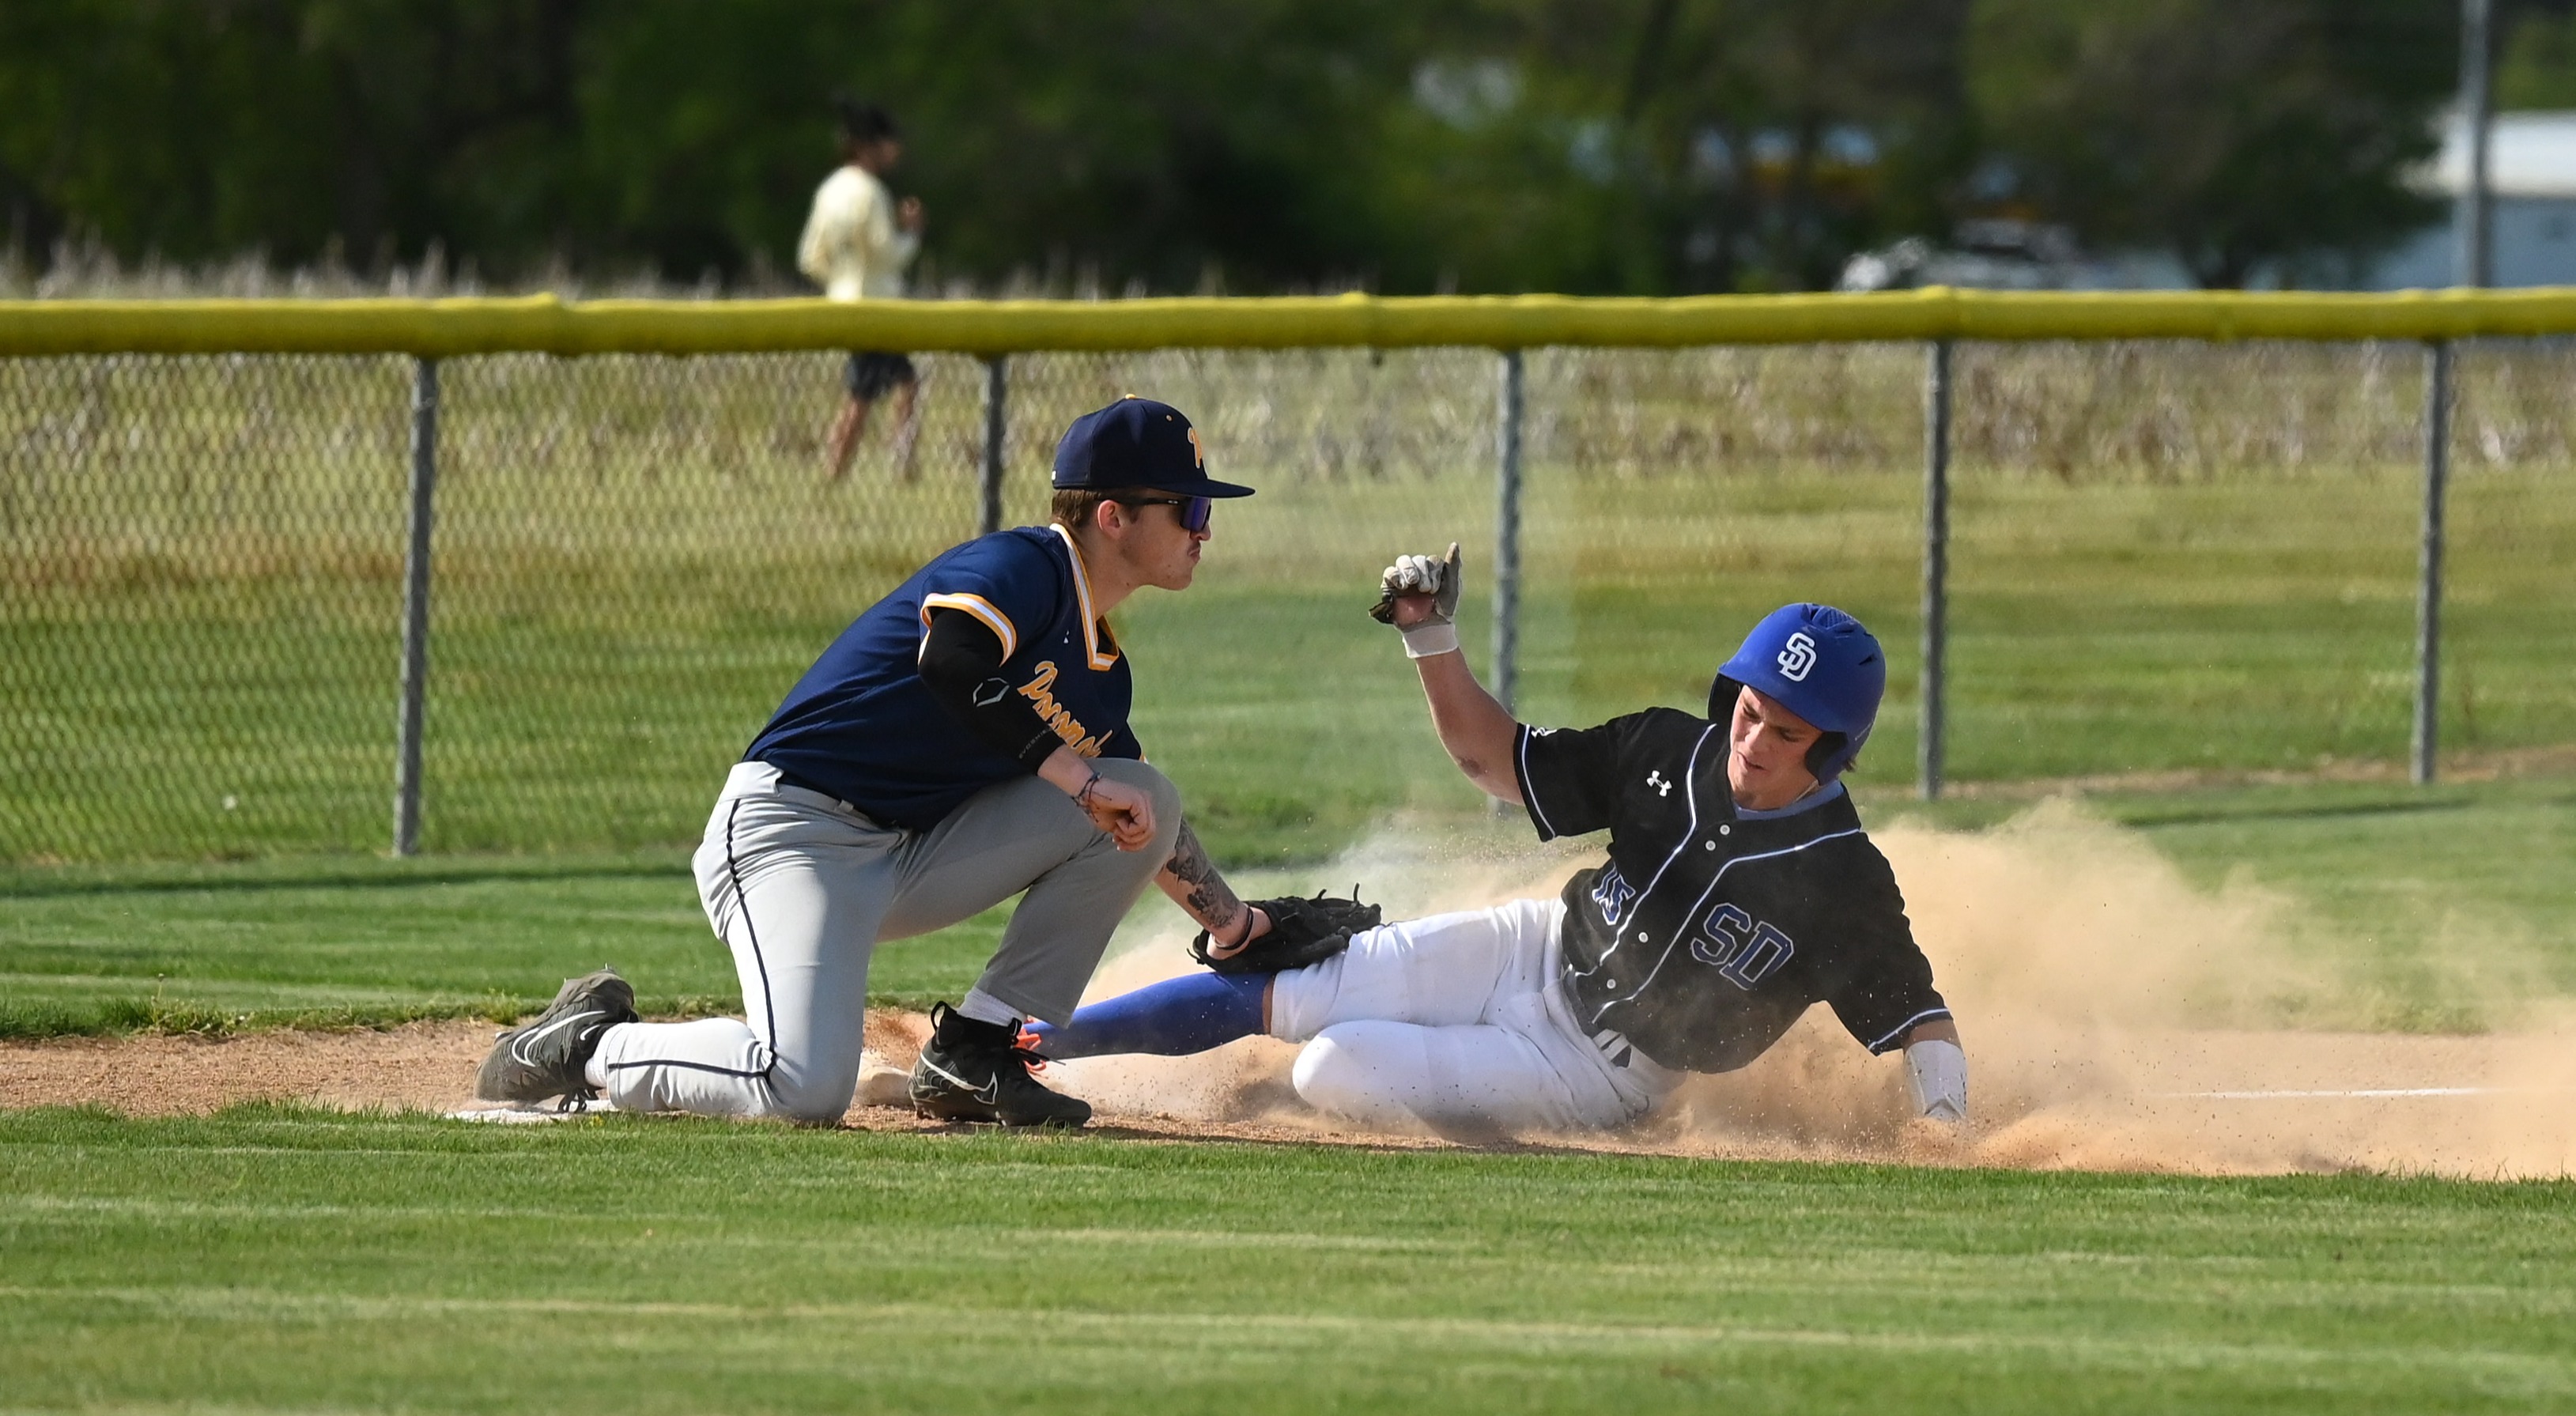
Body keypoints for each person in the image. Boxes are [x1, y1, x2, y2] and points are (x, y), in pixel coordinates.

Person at [475, 398, 1293, 1128]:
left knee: (1145, 793)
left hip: (908, 857)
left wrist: (1239, 928)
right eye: (1187, 507)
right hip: (792, 834)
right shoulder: (1025, 567)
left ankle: (975, 1049)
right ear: (1113, 516)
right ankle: (589, 1045)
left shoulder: (1102, 674)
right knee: (799, 1088)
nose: (1204, 528)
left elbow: (1140, 827)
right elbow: (951, 661)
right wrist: (1077, 778)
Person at [1025, 547, 1970, 1135]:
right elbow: (1492, 759)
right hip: (1532, 947)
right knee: (1295, 993)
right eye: (1749, 714)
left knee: (1333, 1066)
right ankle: (1027, 1049)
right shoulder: (1665, 749)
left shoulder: (1844, 881)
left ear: (1836, 752)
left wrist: (1947, 1130)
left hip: (1603, 1071)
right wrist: (1429, 635)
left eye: (1787, 733)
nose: (1753, 744)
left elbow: (1918, 1019)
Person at [797, 96, 925, 482]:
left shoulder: (830, 191)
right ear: (873, 146)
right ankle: (851, 466)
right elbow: (889, 255)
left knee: (892, 384)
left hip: (843, 301)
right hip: (876, 307)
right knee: (865, 395)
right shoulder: (872, 193)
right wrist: (913, 232)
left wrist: (839, 281)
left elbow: (810, 257)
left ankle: (884, 464)